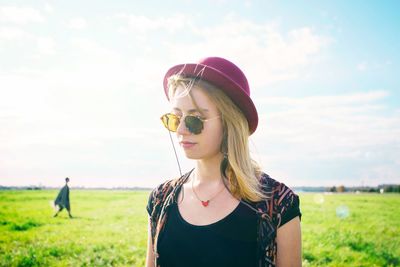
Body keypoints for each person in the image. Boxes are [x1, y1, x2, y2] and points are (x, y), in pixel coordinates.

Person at [146, 57, 302, 267]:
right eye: (175, 118)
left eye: (194, 119)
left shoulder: (279, 204)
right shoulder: (160, 200)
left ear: (230, 122)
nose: (181, 130)